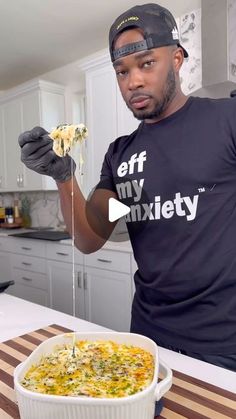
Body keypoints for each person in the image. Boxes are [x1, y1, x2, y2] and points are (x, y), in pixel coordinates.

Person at [19, 3, 236, 373]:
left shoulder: (225, 120)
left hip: (223, 344)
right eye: (122, 71)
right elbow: (89, 239)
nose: (132, 81)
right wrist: (63, 175)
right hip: (146, 338)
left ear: (178, 58)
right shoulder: (121, 154)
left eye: (146, 63)